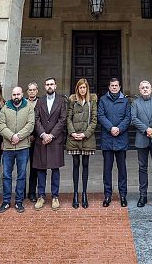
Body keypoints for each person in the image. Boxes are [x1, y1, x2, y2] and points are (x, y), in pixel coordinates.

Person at [0, 86, 35, 213]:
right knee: (7, 175)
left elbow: (30, 125)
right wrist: (11, 136)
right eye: (14, 95)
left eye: (18, 94)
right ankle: (6, 201)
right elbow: (1, 125)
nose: (16, 97)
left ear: (22, 94)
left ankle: (19, 201)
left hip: (23, 147)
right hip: (8, 148)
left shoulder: (28, 107)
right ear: (11, 95)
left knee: (21, 175)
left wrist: (18, 136)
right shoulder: (5, 108)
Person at [32, 78, 66, 211]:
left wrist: (51, 135)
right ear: (44, 87)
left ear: (55, 86)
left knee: (55, 169)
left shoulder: (62, 101)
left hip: (55, 140)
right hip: (42, 139)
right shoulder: (40, 101)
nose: (49, 86)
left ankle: (55, 196)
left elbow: (62, 119)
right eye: (47, 84)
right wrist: (43, 134)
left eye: (51, 84)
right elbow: (36, 118)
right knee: (41, 169)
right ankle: (41, 196)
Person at [98, 77, 130, 207]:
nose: (114, 87)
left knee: (122, 169)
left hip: (121, 139)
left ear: (119, 87)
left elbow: (128, 117)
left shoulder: (125, 101)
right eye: (112, 85)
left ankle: (123, 195)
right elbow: (101, 115)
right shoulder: (103, 100)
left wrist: (119, 128)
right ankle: (107, 195)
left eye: (116, 85)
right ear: (109, 87)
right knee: (107, 170)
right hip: (107, 139)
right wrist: (110, 128)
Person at [66, 78, 97, 209]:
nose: (82, 90)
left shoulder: (92, 101)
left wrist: (85, 134)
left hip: (87, 138)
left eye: (84, 87)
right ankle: (75, 193)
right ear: (77, 89)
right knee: (75, 165)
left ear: (87, 88)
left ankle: (84, 193)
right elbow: (68, 118)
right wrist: (72, 132)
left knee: (85, 165)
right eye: (80, 88)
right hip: (74, 139)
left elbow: (95, 119)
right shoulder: (72, 101)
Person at [132, 80, 152, 208]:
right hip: (142, 139)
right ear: (139, 90)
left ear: (151, 89)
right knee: (142, 169)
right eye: (143, 88)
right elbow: (134, 119)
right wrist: (146, 129)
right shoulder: (135, 103)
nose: (145, 89)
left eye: (147, 87)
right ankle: (142, 196)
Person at [25, 81, 41, 202]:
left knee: (34, 167)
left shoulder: (41, 102)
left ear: (37, 91)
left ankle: (32, 192)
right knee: (22, 167)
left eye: (33, 90)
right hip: (24, 139)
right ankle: (21, 191)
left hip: (37, 139)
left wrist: (35, 134)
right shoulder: (23, 102)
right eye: (30, 90)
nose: (32, 92)